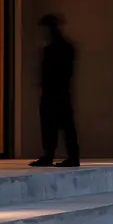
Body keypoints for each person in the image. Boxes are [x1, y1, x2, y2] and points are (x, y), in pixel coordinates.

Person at [30, 13, 80, 168]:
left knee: (59, 124)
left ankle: (57, 155)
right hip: (57, 91)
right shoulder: (61, 47)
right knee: (57, 124)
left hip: (56, 91)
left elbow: (60, 72)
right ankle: (55, 155)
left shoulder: (57, 48)